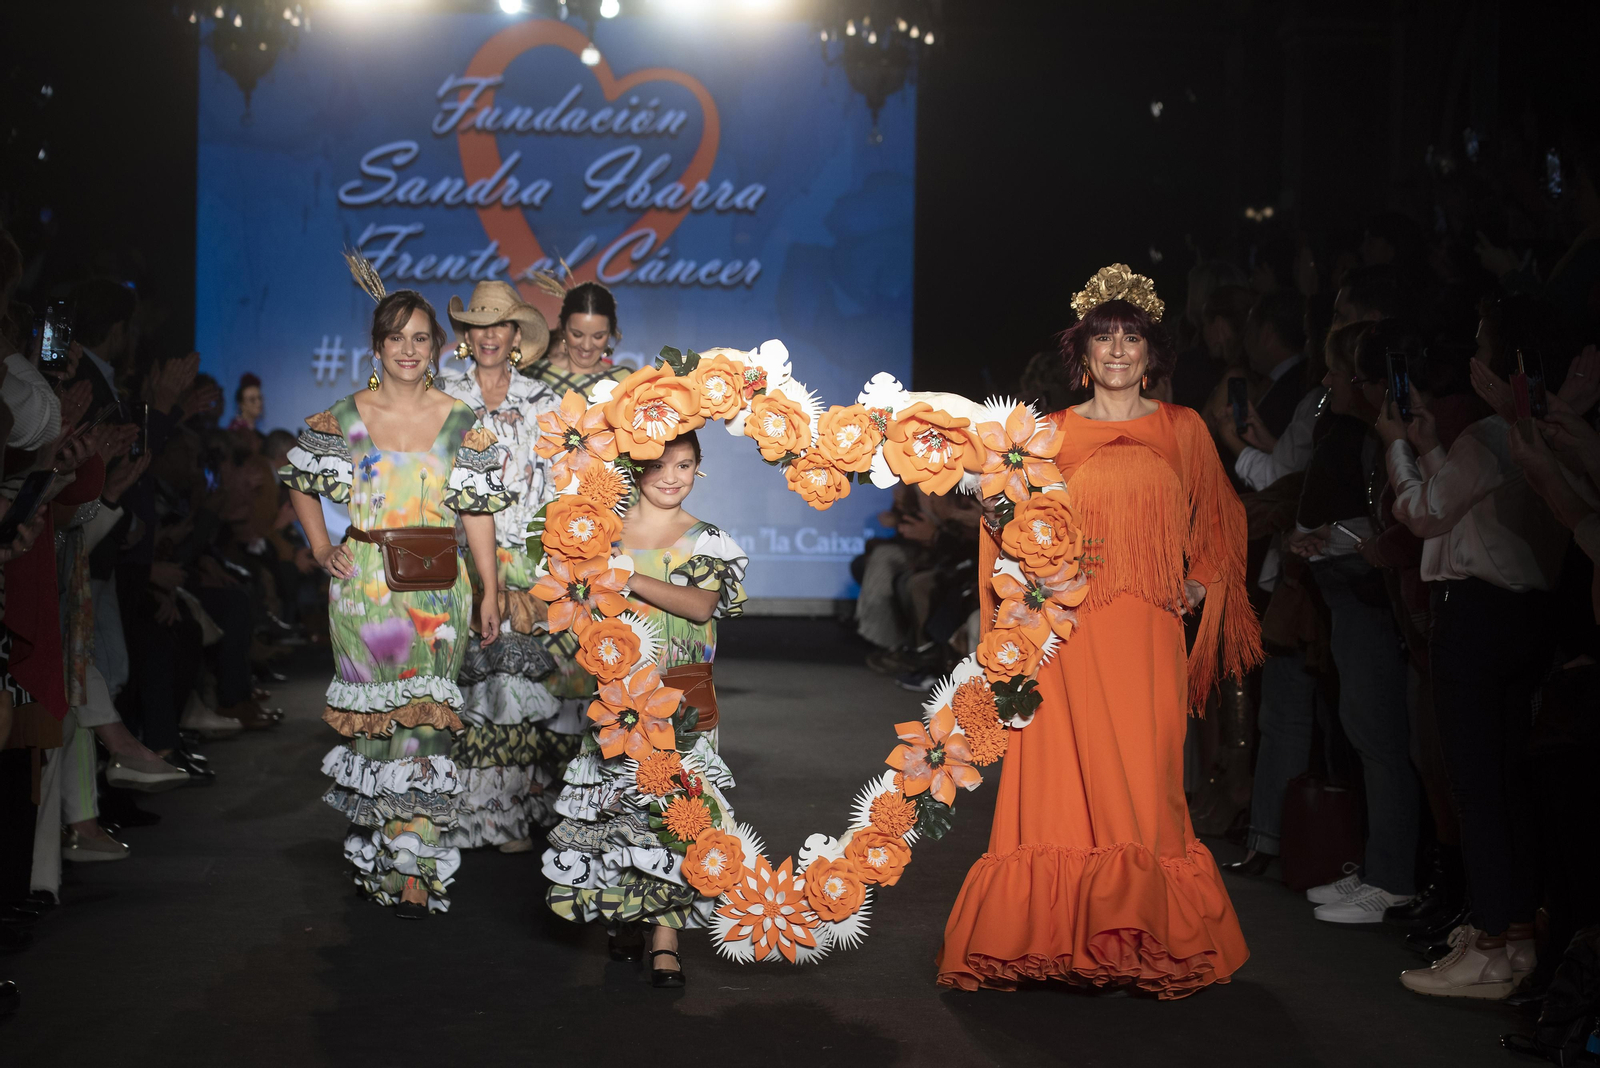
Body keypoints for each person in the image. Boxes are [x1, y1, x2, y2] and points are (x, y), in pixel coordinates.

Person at [937, 266, 1261, 997]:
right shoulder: (1047, 434)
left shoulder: (1184, 429)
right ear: (1081, 352)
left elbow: (1221, 523)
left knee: (1146, 785)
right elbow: (1009, 535)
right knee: (1058, 786)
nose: (1118, 349)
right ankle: (1054, 941)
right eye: (1104, 336)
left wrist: (1201, 583)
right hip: (1067, 641)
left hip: (1146, 638)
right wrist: (1004, 541)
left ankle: (1134, 935)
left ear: (1153, 351)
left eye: (1132, 336)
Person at [282, 288, 510, 917]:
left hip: (438, 592)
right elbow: (300, 477)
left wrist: (490, 589)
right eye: (395, 337)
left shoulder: (462, 421)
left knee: (426, 727)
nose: (408, 349)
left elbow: (478, 512)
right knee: (377, 729)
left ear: (437, 347)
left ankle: (418, 865)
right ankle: (387, 855)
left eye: (420, 338)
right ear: (377, 347)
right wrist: (320, 544)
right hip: (364, 593)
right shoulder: (346, 417)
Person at [542, 430, 748, 987]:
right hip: (616, 698)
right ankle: (626, 915)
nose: (672, 476)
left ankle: (667, 936)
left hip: (682, 697)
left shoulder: (710, 539)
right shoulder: (600, 534)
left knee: (680, 814)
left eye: (684, 464)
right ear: (635, 468)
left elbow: (702, 606)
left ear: (698, 468)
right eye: (658, 465)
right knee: (620, 812)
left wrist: (626, 576)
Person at [437, 280, 569, 854]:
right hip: (451, 563)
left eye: (499, 325)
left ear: (517, 334)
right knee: (461, 691)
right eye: (477, 325)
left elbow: (560, 487)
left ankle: (506, 815)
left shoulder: (543, 403)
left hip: (523, 565)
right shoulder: (440, 394)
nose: (488, 336)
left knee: (511, 691)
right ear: (466, 335)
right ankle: (459, 815)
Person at [523, 281, 633, 397]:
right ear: (563, 329)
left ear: (610, 332)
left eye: (598, 336)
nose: (586, 346)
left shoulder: (628, 381)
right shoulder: (535, 373)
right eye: (577, 335)